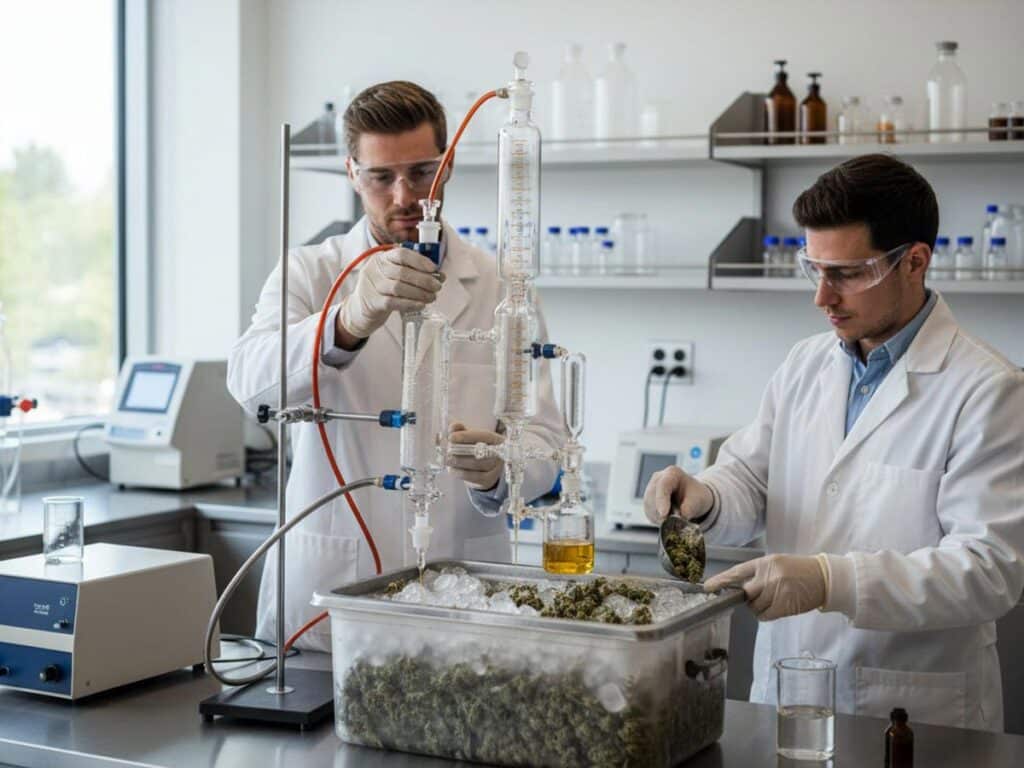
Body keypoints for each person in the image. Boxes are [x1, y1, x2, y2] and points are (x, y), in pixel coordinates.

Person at [644, 154, 1024, 731]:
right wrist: (707, 498)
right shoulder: (806, 363)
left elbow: (988, 570)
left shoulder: (988, 389)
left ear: (914, 261)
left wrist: (830, 581)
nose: (822, 297)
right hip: (785, 690)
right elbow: (751, 477)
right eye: (813, 268)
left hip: (913, 713)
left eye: (846, 274)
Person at [228, 81, 562, 651]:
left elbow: (549, 451)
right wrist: (347, 320)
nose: (405, 195)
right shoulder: (309, 272)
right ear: (353, 173)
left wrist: (500, 469)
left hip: (463, 596)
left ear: (448, 165)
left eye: (422, 171)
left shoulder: (503, 285)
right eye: (382, 177)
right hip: (329, 602)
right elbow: (250, 385)